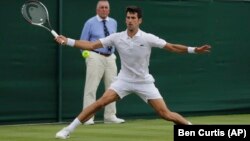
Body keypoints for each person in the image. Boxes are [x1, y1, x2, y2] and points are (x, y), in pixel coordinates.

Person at [55, 6, 211, 139]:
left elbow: (171, 47)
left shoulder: (148, 38)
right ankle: (68, 130)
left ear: (139, 20)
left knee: (166, 114)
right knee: (99, 103)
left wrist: (194, 50)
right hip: (124, 81)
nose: (130, 20)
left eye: (133, 17)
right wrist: (67, 41)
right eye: (128, 17)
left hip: (144, 82)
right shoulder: (116, 37)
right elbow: (91, 45)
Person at [79, 0, 124, 125]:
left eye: (106, 7)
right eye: (101, 7)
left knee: (113, 88)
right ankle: (88, 117)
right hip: (95, 56)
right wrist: (86, 55)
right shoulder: (90, 23)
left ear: (109, 10)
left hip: (110, 57)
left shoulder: (114, 22)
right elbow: (83, 42)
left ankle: (110, 116)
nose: (104, 9)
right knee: (91, 88)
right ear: (97, 9)